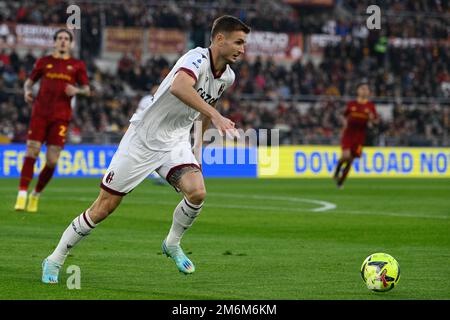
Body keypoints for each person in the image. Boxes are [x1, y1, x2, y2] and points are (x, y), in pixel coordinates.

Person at [41, 15, 250, 283]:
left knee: (197, 192)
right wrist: (218, 116)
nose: (242, 49)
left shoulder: (228, 77)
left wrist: (198, 146)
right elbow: (179, 87)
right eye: (238, 42)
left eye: (244, 43)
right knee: (103, 207)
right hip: (142, 140)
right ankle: (55, 259)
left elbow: (207, 109)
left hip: (174, 142)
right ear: (220, 39)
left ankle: (172, 244)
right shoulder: (194, 59)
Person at [14, 29, 90, 212]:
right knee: (32, 151)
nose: (63, 41)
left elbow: (87, 90)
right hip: (40, 113)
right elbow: (29, 82)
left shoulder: (77, 65)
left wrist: (77, 90)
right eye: (60, 38)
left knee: (52, 160)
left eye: (66, 39)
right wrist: (26, 91)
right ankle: (22, 194)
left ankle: (36, 194)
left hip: (61, 118)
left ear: (70, 43)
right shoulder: (44, 62)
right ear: (55, 42)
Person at [333, 82, 378, 188]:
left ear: (369, 92)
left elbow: (375, 121)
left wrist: (372, 121)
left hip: (360, 136)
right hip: (348, 134)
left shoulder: (370, 106)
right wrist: (344, 122)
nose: (364, 91)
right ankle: (337, 171)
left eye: (366, 89)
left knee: (351, 160)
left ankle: (341, 182)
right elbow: (343, 115)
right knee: (346, 156)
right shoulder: (351, 104)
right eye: (362, 89)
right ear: (358, 91)